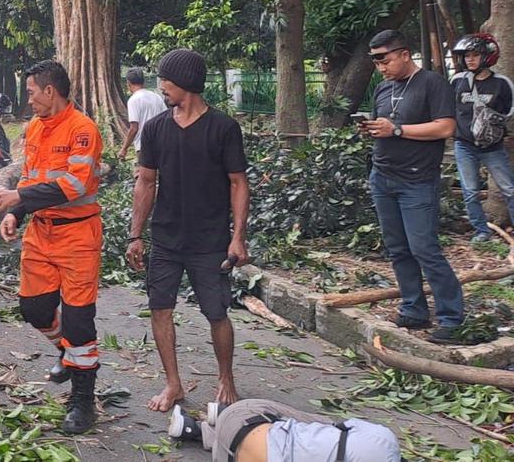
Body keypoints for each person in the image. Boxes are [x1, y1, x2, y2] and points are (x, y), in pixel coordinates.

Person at [127, 48, 249, 413]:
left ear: (186, 82)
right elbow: (146, 182)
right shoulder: (157, 128)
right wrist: (136, 235)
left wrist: (237, 236)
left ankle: (225, 378)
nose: (161, 86)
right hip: (166, 238)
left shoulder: (223, 128)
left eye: (165, 79)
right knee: (159, 308)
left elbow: (238, 183)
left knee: (216, 313)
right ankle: (173, 384)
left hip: (209, 240)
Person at [0, 60, 104, 435]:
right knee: (34, 309)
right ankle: (66, 353)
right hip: (40, 233)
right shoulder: (35, 128)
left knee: (79, 321)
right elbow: (32, 178)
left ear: (50, 91)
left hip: (78, 237)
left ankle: (83, 402)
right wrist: (17, 213)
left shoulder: (83, 130)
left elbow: (74, 185)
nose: (30, 99)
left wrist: (17, 196)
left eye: (33, 92)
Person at [360, 30, 466, 344]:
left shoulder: (433, 83)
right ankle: (413, 309)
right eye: (376, 61)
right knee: (398, 249)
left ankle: (451, 318)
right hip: (383, 177)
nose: (382, 67)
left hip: (417, 181)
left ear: (405, 54)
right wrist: (375, 130)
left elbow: (445, 127)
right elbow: (388, 127)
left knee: (425, 249)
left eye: (386, 59)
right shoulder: (382, 89)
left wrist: (397, 130)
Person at [168, 398, 401, 462]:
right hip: (227, 456)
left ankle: (220, 413)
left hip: (244, 417)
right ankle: (194, 430)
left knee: (323, 424)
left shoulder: (383, 440)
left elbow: (341, 427)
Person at [449, 33, 514, 243]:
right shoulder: (457, 81)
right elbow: (448, 108)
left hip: (492, 146)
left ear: (487, 56)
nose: (469, 59)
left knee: (509, 189)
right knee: (470, 191)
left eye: (475, 55)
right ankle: (481, 231)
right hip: (464, 144)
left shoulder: (502, 84)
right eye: (466, 55)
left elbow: (508, 112)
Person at [117, 68, 167, 162]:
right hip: (161, 144)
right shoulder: (156, 97)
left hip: (144, 146)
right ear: (143, 82)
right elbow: (166, 119)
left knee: (145, 175)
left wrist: (124, 148)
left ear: (128, 83)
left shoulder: (133, 100)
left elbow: (133, 129)